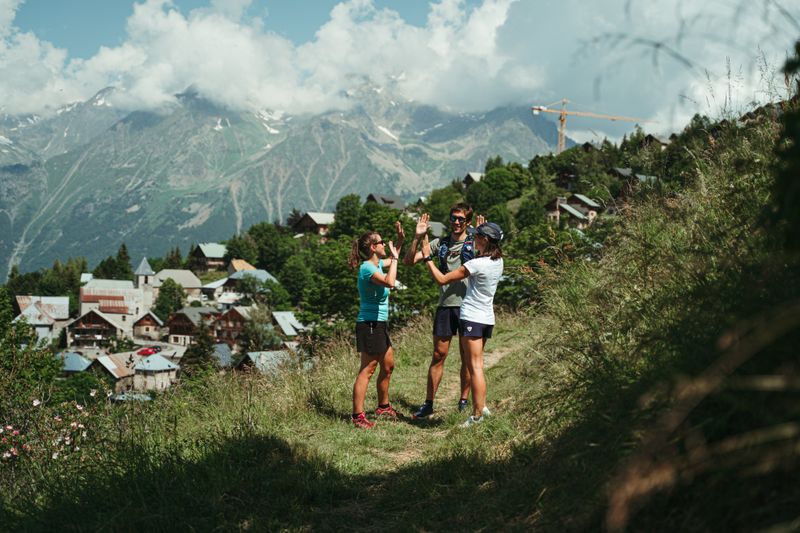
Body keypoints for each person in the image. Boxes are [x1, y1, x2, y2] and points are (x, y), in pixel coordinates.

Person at [403, 204, 483, 419]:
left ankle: (464, 401)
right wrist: (417, 238)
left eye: (461, 219)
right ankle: (429, 403)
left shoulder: (475, 243)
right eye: (453, 218)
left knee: (467, 357)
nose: (456, 222)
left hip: (469, 306)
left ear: (468, 221)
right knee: (439, 355)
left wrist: (483, 237)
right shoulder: (441, 244)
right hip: (446, 305)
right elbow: (409, 261)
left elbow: (489, 261)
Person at [421, 222, 504, 426]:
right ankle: (481, 405)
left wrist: (427, 258)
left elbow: (442, 279)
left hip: (472, 318)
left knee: (474, 367)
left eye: (476, 236)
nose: (472, 238)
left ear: (485, 240)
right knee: (478, 366)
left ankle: (476, 415)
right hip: (486, 319)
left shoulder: (476, 264)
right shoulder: (498, 261)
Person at [348, 222, 404, 429]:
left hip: (379, 324)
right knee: (368, 369)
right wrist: (396, 258)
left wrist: (400, 239)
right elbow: (390, 282)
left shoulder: (377, 264)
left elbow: (394, 254)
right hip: (369, 324)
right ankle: (358, 416)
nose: (384, 244)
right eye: (381, 242)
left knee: (388, 366)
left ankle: (383, 406)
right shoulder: (366, 268)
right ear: (373, 247)